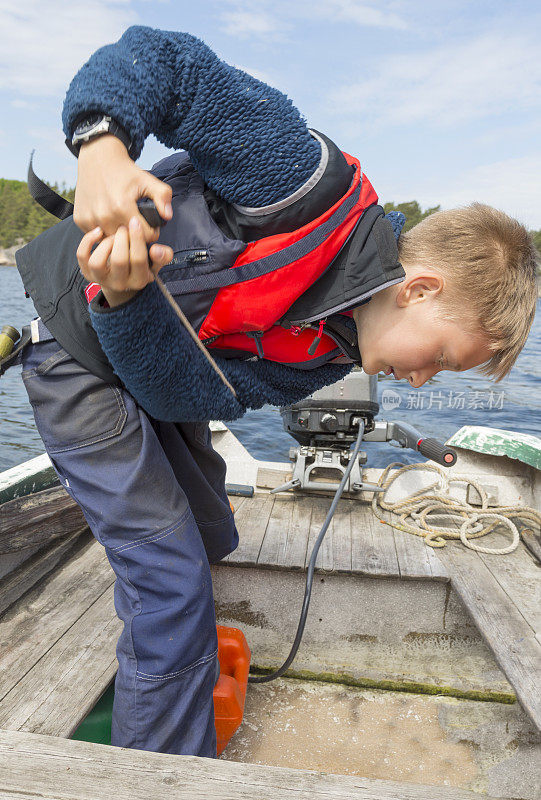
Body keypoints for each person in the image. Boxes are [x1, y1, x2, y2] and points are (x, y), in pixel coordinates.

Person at [16, 26, 537, 758]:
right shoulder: (296, 177)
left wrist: (131, 300)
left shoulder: (328, 355)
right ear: (420, 289)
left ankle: (170, 665)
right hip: (72, 354)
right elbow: (163, 63)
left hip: (132, 354)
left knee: (209, 536)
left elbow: (178, 393)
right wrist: (102, 148)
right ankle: (159, 771)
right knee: (170, 584)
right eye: (441, 358)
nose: (420, 380)